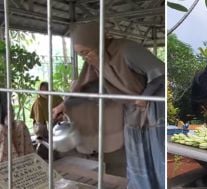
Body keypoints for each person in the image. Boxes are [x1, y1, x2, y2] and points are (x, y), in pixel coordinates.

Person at [52, 22, 165, 189]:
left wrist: (145, 97)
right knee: (136, 157)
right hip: (132, 111)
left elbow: (160, 72)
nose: (86, 58)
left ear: (97, 42)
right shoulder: (96, 61)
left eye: (86, 52)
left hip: (154, 108)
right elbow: (89, 88)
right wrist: (64, 104)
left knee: (157, 154)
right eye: (81, 55)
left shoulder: (126, 50)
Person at [0, 92, 34, 162]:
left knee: (20, 125)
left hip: (6, 124)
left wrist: (9, 118)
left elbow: (10, 111)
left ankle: (24, 162)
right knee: (1, 129)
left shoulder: (2, 93)